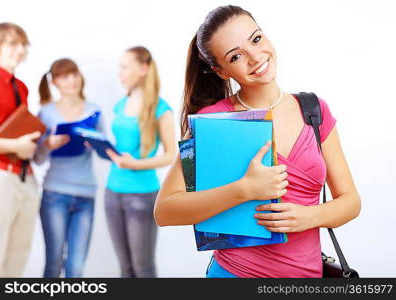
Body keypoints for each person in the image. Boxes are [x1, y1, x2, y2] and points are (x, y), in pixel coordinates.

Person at [154, 5, 361, 278]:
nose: (255, 57)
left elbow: (351, 201)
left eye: (256, 39)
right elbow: (165, 211)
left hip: (307, 276)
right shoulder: (212, 121)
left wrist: (308, 217)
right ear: (221, 71)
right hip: (234, 275)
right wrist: (244, 190)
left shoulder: (314, 110)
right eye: (236, 56)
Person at [104, 46, 176, 278]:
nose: (120, 73)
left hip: (142, 196)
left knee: (142, 268)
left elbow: (170, 154)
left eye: (125, 67)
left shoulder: (161, 109)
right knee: (125, 268)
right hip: (112, 193)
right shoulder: (120, 104)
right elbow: (121, 148)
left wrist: (135, 165)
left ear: (143, 68)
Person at [0, 23, 41, 277]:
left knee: (18, 257)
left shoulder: (22, 87)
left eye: (23, 44)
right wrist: (14, 146)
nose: (20, 50)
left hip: (26, 179)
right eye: (12, 44)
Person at [34, 58, 102, 278]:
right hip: (55, 194)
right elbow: (37, 159)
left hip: (86, 195)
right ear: (54, 82)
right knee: (53, 263)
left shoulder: (94, 110)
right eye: (64, 76)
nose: (72, 80)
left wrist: (95, 142)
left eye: (74, 74)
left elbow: (108, 152)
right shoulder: (45, 113)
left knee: (76, 268)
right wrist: (47, 144)